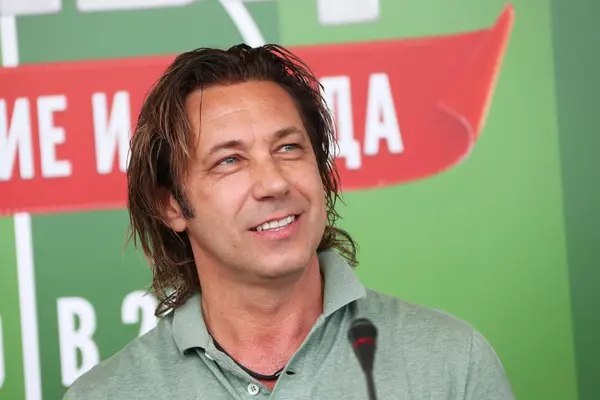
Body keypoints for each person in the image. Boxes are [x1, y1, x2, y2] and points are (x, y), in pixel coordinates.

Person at [64, 43, 515, 400]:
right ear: (172, 206)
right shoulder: (105, 394)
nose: (274, 183)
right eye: (229, 160)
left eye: (288, 148)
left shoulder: (451, 362)